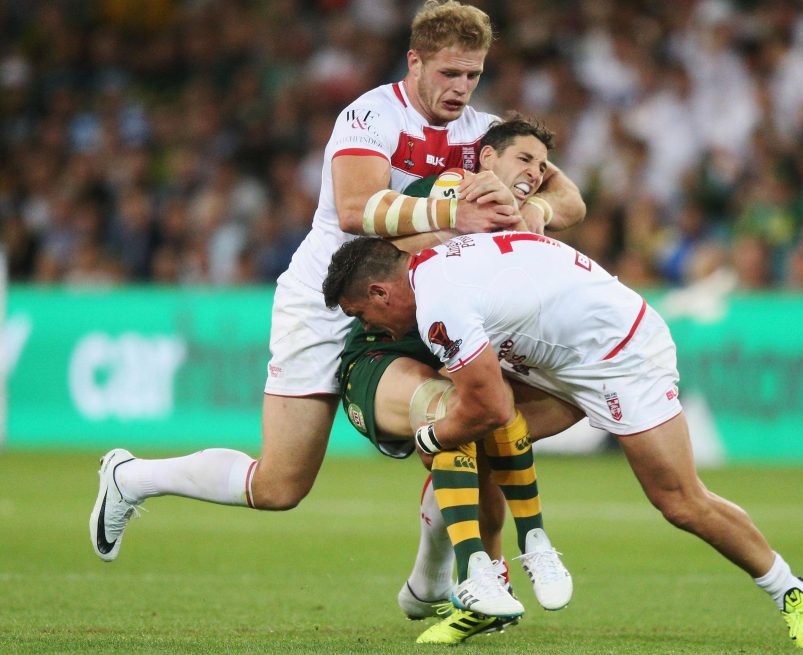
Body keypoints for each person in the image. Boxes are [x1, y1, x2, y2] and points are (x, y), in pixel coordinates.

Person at [89, 0, 585, 569]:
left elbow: (570, 198)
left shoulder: (487, 134)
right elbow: (355, 210)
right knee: (280, 486)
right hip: (326, 302)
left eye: (473, 75)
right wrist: (454, 214)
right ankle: (132, 477)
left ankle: (440, 581)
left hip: (410, 308)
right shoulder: (370, 117)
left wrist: (537, 211)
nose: (462, 88)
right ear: (415, 62)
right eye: (450, 73)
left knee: (462, 423)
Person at [322, 234, 803, 649]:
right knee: (471, 434)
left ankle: (794, 592)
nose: (374, 330)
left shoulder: (440, 307)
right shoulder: (438, 262)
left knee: (679, 501)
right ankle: (488, 588)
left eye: (363, 316)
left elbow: (491, 408)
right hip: (559, 351)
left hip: (619, 356)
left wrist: (428, 437)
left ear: (381, 293)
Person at [338, 116, 580, 643]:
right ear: (486, 160)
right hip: (388, 347)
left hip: (450, 343)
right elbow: (365, 218)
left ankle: (474, 575)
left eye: (543, 167)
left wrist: (534, 207)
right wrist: (450, 224)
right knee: (459, 409)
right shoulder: (456, 188)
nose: (536, 173)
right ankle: (481, 568)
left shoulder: (518, 209)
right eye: (525, 161)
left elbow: (574, 201)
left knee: (523, 412)